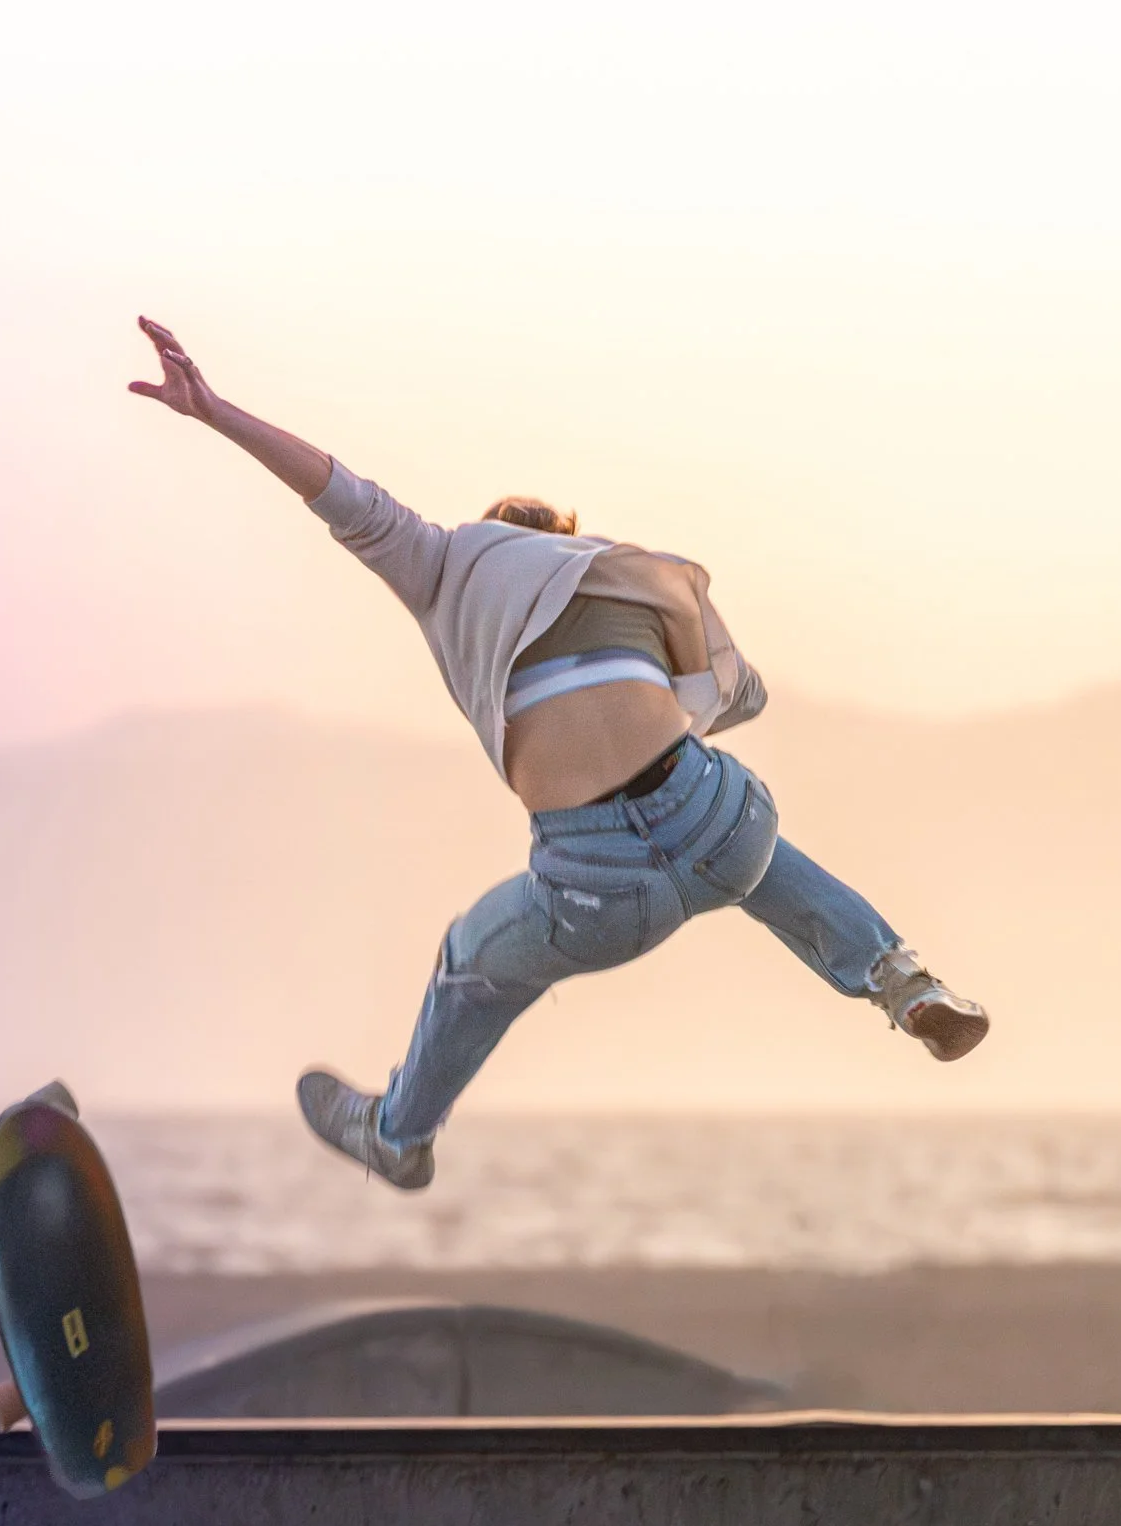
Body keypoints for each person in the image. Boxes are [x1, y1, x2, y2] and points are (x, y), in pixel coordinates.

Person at [130, 316, 989, 1191]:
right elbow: (740, 694)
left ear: (488, 531)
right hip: (724, 818)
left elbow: (334, 488)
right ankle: (899, 980)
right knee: (742, 844)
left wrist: (213, 410)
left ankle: (396, 1133)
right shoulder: (627, 574)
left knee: (472, 962)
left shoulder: (441, 564)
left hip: (598, 889)